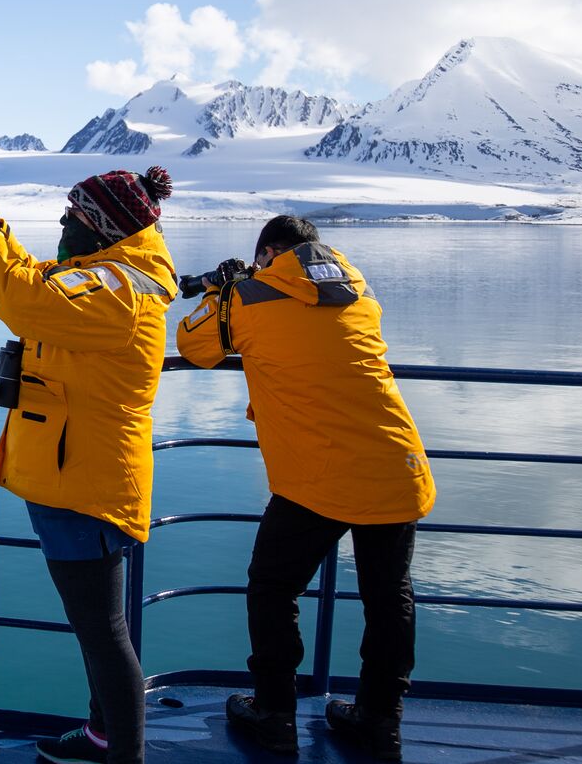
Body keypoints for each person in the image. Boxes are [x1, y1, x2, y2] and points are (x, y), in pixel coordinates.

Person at [175, 215, 435, 762]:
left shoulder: (250, 296)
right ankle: (380, 721)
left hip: (316, 473)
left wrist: (223, 290)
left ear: (268, 252)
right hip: (395, 461)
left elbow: (194, 345)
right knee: (389, 599)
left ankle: (274, 715)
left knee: (273, 588)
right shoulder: (358, 288)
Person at [0, 167, 177, 764]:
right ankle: (104, 736)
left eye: (73, 216)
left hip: (85, 480)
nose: (62, 224)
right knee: (97, 631)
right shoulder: (104, 275)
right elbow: (42, 283)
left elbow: (25, 301)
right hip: (76, 468)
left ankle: (122, 754)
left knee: (103, 634)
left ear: (102, 226)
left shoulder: (116, 290)